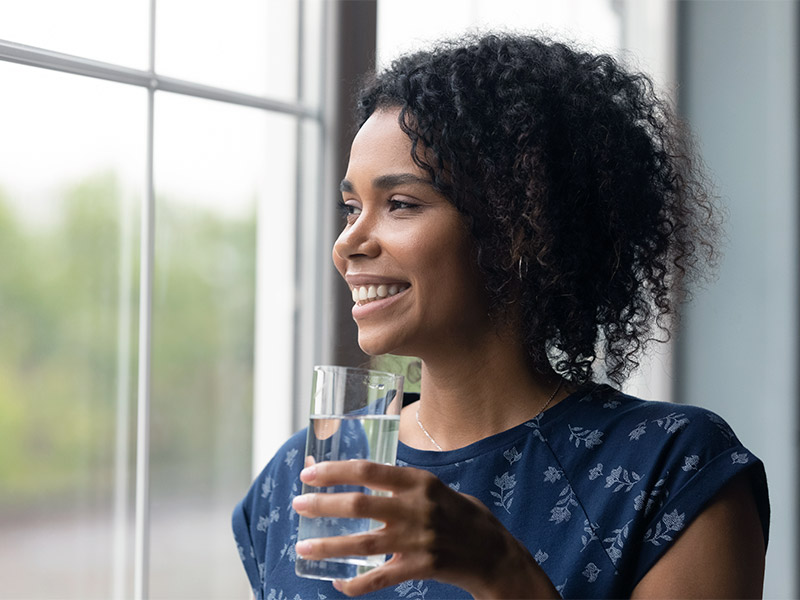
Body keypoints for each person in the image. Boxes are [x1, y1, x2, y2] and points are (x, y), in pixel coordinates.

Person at [233, 33, 769, 599]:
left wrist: (500, 570)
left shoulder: (672, 469)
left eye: (401, 204)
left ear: (520, 228)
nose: (348, 244)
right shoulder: (300, 476)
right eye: (350, 209)